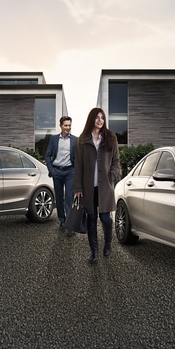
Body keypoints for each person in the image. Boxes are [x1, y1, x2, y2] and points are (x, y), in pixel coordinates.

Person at [73, 107, 121, 264]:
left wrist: (111, 176)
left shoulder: (110, 137)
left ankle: (108, 243)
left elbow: (116, 161)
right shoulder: (83, 139)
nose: (100, 120)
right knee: (91, 218)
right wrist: (78, 188)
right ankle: (94, 252)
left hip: (105, 186)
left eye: (102, 117)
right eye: (97, 117)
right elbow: (78, 165)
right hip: (88, 187)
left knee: (105, 218)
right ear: (91, 119)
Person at [44, 115, 78, 233]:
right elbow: (47, 155)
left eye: (69, 125)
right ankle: (62, 221)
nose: (68, 128)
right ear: (60, 126)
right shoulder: (53, 139)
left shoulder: (75, 140)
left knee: (69, 198)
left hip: (70, 172)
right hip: (57, 171)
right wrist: (52, 170)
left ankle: (69, 225)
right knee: (59, 198)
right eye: (66, 125)